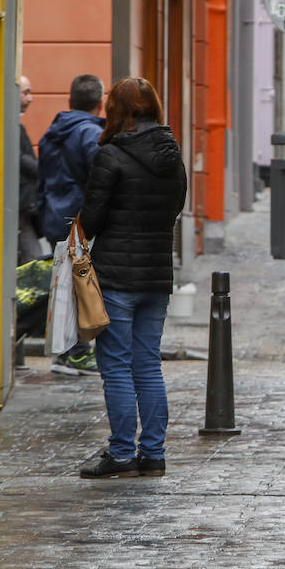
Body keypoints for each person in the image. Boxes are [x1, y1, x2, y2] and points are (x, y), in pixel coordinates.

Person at [77, 77, 187, 479]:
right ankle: (153, 454)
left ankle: (122, 452)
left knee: (117, 366)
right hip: (157, 275)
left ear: (117, 110)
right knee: (148, 364)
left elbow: (91, 218)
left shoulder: (111, 154)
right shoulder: (172, 154)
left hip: (117, 276)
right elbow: (176, 208)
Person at [37, 74, 106, 375]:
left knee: (66, 284)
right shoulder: (89, 134)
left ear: (70, 100)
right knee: (82, 284)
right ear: (100, 104)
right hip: (79, 219)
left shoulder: (54, 131)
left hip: (54, 214)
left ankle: (66, 350)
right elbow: (98, 179)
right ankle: (76, 351)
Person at [16, 75, 45, 265]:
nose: (30, 98)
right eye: (26, 92)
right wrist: (42, 170)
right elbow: (19, 159)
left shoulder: (16, 126)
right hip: (21, 206)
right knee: (32, 258)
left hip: (24, 207)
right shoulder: (12, 128)